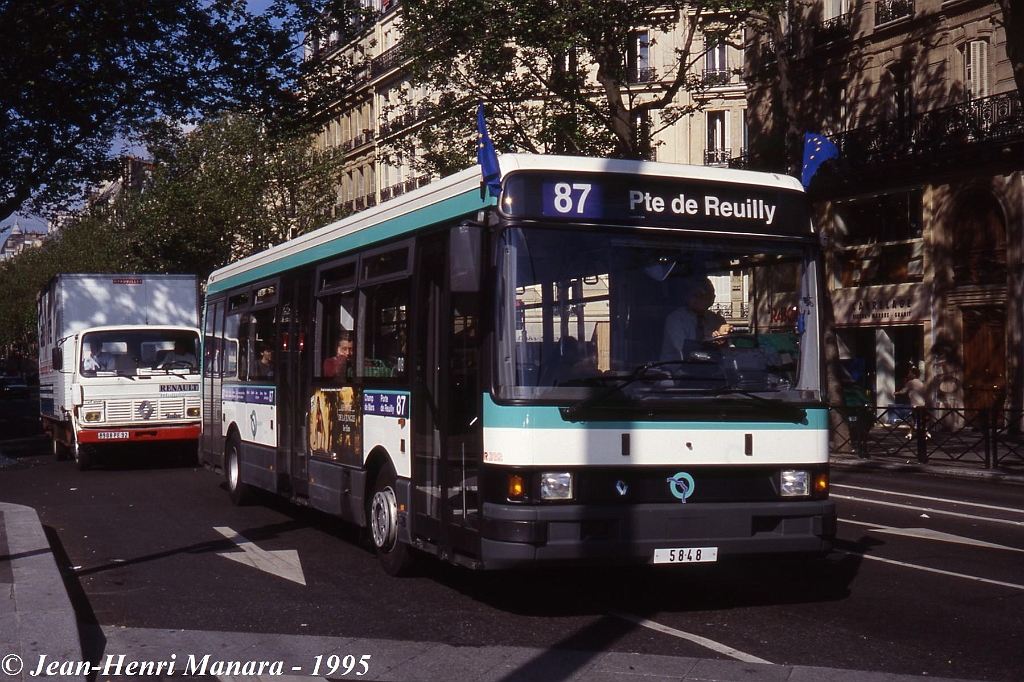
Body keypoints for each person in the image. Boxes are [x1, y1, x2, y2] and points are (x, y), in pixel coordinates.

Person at [660, 276, 733, 360]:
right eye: (697, 294)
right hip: (677, 370)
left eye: (707, 295)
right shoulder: (675, 319)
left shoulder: (718, 320)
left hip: (712, 370)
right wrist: (713, 343)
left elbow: (727, 356)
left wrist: (723, 342)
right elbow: (688, 353)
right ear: (687, 297)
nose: (702, 299)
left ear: (713, 298)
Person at [895, 365, 928, 440]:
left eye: (909, 373)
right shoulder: (921, 382)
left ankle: (911, 433)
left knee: (913, 419)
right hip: (922, 403)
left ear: (913, 374)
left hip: (915, 404)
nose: (908, 374)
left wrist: (897, 393)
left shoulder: (911, 382)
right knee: (922, 419)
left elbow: (904, 391)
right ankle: (925, 433)